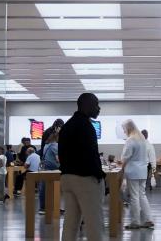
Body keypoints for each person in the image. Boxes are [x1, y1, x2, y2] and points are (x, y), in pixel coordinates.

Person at [59, 93, 106, 241]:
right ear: (86, 105)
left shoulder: (67, 126)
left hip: (67, 178)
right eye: (96, 104)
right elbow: (90, 156)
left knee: (70, 222)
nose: (99, 108)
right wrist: (100, 176)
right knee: (94, 223)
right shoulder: (86, 126)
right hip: (85, 180)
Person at [121, 119, 154, 230]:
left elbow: (126, 157)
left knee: (134, 197)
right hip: (142, 171)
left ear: (128, 128)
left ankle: (135, 222)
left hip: (133, 171)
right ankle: (148, 219)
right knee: (142, 195)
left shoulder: (131, 140)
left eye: (124, 129)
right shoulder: (142, 139)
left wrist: (121, 166)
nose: (124, 131)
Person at [39, 131, 60, 214]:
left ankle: (43, 208)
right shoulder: (55, 146)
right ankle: (53, 207)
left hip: (45, 168)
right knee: (54, 189)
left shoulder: (46, 145)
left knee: (43, 188)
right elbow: (58, 159)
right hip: (53, 169)